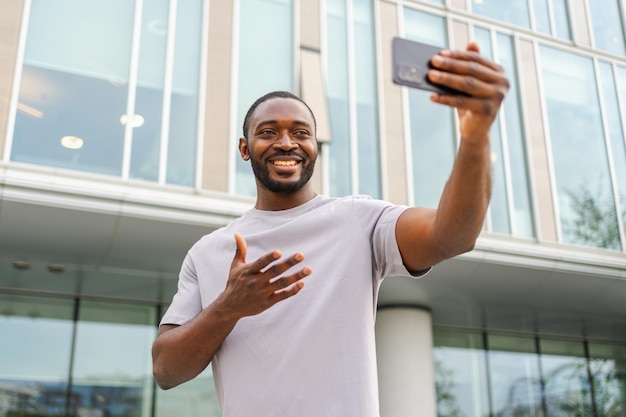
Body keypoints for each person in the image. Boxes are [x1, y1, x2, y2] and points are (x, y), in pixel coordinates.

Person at [152, 42, 509, 417]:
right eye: (268, 132)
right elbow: (166, 370)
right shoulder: (209, 251)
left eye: (300, 132)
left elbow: (452, 235)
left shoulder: (359, 220)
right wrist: (229, 306)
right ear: (245, 147)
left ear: (314, 145)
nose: (286, 143)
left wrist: (475, 138)